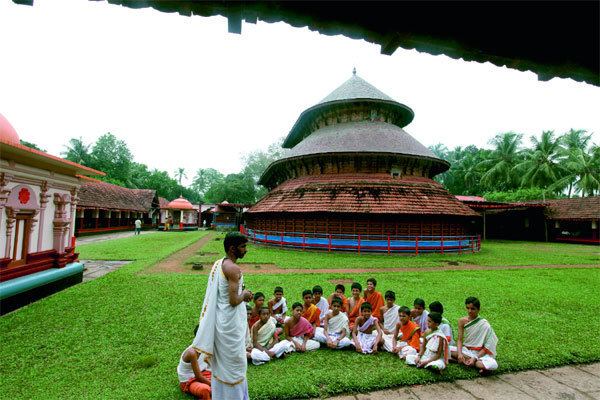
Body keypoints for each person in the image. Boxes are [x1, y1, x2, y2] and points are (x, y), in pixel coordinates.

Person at [192, 232, 253, 400]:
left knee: (223, 366)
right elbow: (234, 301)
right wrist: (245, 295)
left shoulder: (219, 263)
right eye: (243, 246)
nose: (246, 250)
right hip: (230, 326)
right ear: (232, 248)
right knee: (235, 364)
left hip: (222, 322)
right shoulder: (233, 269)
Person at [450, 296, 498, 374]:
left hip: (479, 354)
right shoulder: (462, 321)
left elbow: (487, 347)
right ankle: (465, 360)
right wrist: (459, 354)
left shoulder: (485, 324)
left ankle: (469, 361)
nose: (469, 311)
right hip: (466, 350)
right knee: (445, 348)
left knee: (493, 365)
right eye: (467, 308)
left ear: (478, 309)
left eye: (473, 309)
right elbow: (459, 339)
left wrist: (474, 358)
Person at [178, 325, 211, 400]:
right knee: (205, 390)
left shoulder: (207, 346)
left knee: (227, 380)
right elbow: (198, 377)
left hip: (205, 373)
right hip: (190, 381)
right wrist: (214, 386)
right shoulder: (192, 353)